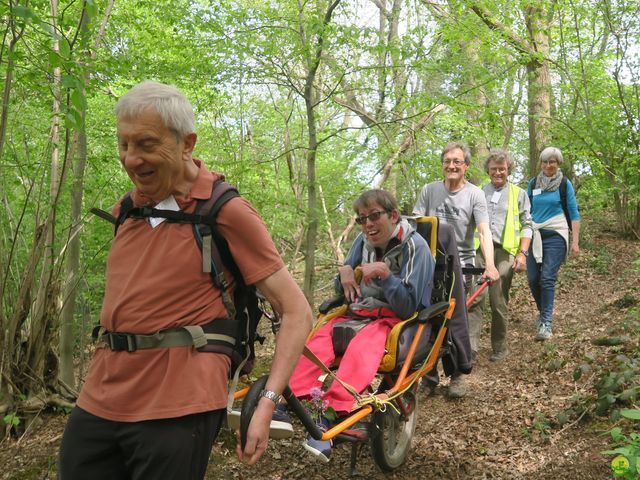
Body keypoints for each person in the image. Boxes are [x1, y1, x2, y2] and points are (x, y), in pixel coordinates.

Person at [57, 81, 312, 479]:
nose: (130, 159)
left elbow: (296, 311)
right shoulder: (127, 209)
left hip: (179, 398)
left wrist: (267, 402)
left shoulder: (226, 211)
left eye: (145, 144)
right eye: (124, 145)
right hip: (103, 392)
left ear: (186, 143)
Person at [287, 189, 433, 462]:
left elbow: (408, 307)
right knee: (315, 342)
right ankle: (287, 400)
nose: (368, 224)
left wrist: (386, 275)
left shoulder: (416, 247)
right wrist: (341, 275)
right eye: (362, 219)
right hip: (357, 314)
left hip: (394, 320)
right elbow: (346, 290)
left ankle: (330, 418)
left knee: (361, 349)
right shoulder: (361, 242)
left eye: (374, 216)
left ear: (393, 215)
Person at [412, 141, 499, 398]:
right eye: (447, 161)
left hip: (460, 265)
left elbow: (484, 231)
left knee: (453, 320)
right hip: (427, 265)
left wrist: (491, 265)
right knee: (424, 319)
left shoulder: (475, 194)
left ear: (466, 166)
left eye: (457, 162)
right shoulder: (429, 191)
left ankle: (458, 376)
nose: (451, 166)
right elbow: (415, 227)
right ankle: (428, 378)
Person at [467, 149, 533, 362]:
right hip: (478, 250)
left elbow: (528, 225)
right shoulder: (477, 191)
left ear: (508, 170)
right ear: (488, 170)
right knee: (475, 299)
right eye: (494, 169)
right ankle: (471, 348)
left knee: (498, 301)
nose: (498, 173)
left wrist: (522, 254)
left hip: (505, 252)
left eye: (502, 169)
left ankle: (499, 347)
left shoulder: (518, 194)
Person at [526, 146, 580, 341]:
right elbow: (526, 211)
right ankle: (543, 313)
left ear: (558, 164)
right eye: (545, 162)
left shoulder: (564, 184)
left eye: (553, 162)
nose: (549, 165)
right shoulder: (533, 184)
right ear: (541, 163)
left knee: (547, 278)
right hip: (535, 234)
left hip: (557, 234)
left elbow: (574, 213)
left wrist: (575, 242)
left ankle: (546, 323)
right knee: (533, 278)